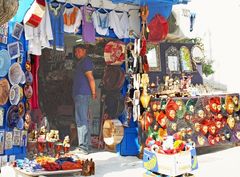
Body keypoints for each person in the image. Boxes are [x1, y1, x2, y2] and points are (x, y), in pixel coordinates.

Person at [72, 44, 96, 155]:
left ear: (84, 51)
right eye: (75, 51)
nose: (77, 53)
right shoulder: (81, 62)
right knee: (83, 119)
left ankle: (83, 147)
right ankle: (87, 145)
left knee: (81, 120)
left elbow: (91, 78)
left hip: (82, 95)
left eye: (79, 51)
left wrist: (94, 92)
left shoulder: (86, 61)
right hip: (80, 95)